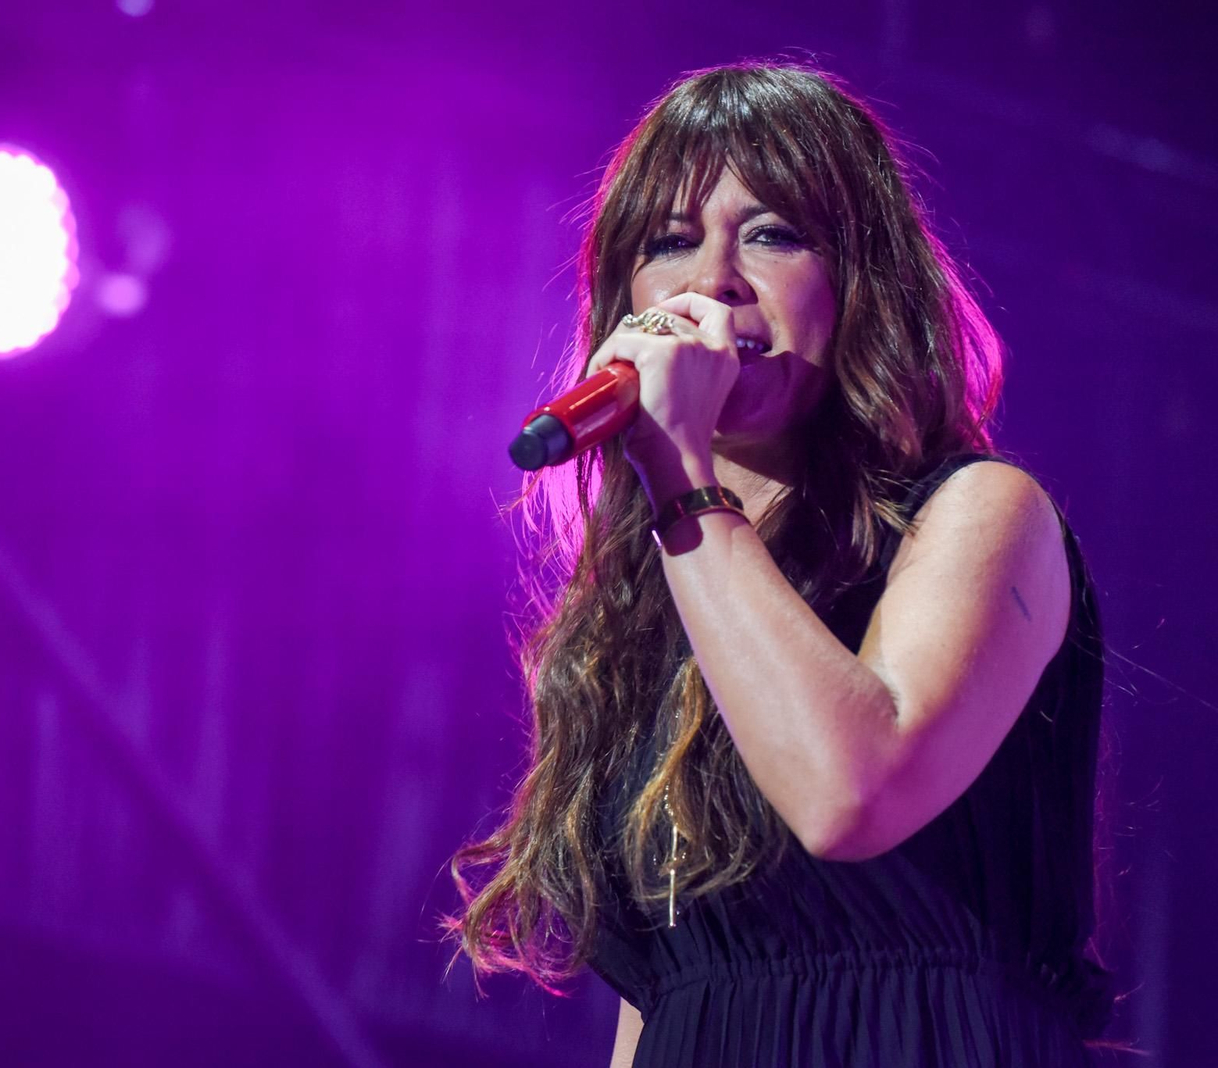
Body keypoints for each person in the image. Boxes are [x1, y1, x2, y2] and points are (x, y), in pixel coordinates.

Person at [449, 61, 1113, 1066]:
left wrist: (680, 478)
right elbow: (667, 986)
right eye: (668, 244)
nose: (710, 282)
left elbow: (851, 791)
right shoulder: (652, 605)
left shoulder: (980, 515)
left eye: (771, 234)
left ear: (857, 287)